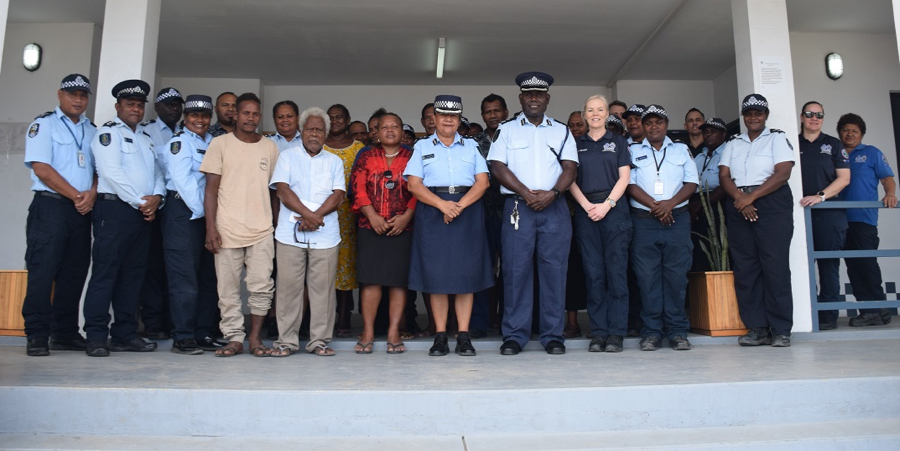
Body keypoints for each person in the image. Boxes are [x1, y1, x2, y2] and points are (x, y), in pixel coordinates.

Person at [487, 72, 578, 356]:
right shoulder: (507, 129)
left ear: (547, 99)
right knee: (515, 272)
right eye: (529, 94)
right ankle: (514, 336)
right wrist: (527, 194)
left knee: (554, 272)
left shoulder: (561, 130)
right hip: (518, 208)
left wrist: (553, 194)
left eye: (539, 94)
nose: (534, 98)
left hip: (555, 208)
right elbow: (497, 166)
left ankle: (553, 335)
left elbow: (571, 167)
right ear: (521, 98)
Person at [405, 95, 492, 357]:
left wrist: (459, 206)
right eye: (443, 115)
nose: (448, 120)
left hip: (466, 211)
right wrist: (443, 206)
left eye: (453, 116)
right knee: (437, 277)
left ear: (458, 119)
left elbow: (482, 182)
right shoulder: (421, 147)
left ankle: (463, 336)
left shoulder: (471, 146)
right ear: (435, 118)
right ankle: (441, 336)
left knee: (467, 276)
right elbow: (414, 184)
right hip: (434, 212)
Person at [83, 79, 164, 357]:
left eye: (140, 105)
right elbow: (111, 173)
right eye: (130, 104)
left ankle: (125, 334)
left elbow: (156, 174)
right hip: (115, 211)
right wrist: (142, 202)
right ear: (118, 106)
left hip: (142, 215)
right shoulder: (108, 135)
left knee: (133, 276)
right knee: (106, 274)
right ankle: (95, 335)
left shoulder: (145, 138)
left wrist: (157, 198)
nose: (136, 109)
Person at [21, 74, 97, 356]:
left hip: (82, 209)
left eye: (83, 95)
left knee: (74, 272)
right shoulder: (44, 125)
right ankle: (37, 334)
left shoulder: (92, 130)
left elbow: (99, 170)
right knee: (43, 270)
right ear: (59, 95)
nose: (78, 99)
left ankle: (65, 332)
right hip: (51, 207)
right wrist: (77, 195)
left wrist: (92, 192)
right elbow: (42, 169)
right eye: (72, 94)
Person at [200, 92, 280, 357]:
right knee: (228, 289)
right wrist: (211, 228)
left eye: (256, 113)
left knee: (261, 287)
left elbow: (274, 191)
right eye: (246, 112)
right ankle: (234, 338)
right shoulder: (220, 144)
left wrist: (276, 226)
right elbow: (210, 190)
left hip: (261, 230)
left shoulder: (269, 147)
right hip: (226, 229)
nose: (251, 118)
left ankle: (255, 338)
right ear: (235, 114)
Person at [719, 94, 795, 347]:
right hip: (740, 202)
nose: (753, 117)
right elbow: (724, 175)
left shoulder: (776, 138)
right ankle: (757, 327)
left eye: (758, 113)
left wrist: (751, 197)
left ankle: (782, 329)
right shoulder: (733, 143)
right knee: (746, 269)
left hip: (771, 203)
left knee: (775, 267)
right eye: (749, 113)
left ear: (766, 115)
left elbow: (783, 173)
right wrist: (742, 199)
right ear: (743, 116)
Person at [269, 107, 345, 357]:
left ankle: (319, 341)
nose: (314, 134)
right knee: (288, 289)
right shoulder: (288, 157)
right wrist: (309, 215)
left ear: (326, 133)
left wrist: (315, 218)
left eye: (319, 130)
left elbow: (338, 195)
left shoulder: (335, 161)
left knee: (322, 290)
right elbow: (282, 189)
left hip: (325, 235)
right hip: (290, 233)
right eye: (310, 129)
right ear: (301, 131)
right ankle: (286, 342)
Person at [627, 104, 699, 351]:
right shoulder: (632, 150)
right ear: (643, 127)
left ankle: (678, 332)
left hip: (677, 220)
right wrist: (657, 207)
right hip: (644, 221)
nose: (654, 126)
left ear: (666, 125)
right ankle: (652, 332)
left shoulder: (681, 150)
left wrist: (669, 204)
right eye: (648, 123)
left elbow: (691, 183)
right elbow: (629, 185)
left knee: (676, 278)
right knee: (647, 279)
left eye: (658, 122)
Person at [161, 95, 226, 354]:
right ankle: (183, 336)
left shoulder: (214, 142)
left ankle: (203, 332)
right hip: (184, 215)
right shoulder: (179, 143)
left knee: (208, 278)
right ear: (185, 118)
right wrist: (207, 216)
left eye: (204, 115)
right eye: (194, 115)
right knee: (184, 280)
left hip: (207, 218)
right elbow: (184, 183)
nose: (199, 120)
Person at [568, 95, 632, 353]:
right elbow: (569, 179)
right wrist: (587, 206)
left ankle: (616, 334)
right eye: (590, 110)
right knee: (594, 275)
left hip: (613, 211)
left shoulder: (618, 142)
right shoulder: (575, 144)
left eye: (600, 110)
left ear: (608, 114)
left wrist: (607, 205)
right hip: (586, 211)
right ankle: (598, 332)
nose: (595, 114)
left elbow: (624, 177)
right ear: (585, 114)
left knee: (616, 275)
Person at [352, 113, 417, 354]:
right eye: (384, 127)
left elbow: (420, 188)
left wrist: (407, 216)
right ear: (376, 132)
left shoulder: (413, 155)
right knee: (371, 281)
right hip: (371, 227)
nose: (390, 130)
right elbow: (357, 188)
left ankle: (393, 332)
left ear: (402, 131)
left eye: (395, 126)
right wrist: (372, 216)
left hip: (403, 227)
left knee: (398, 282)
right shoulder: (365, 155)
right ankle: (368, 331)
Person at [838, 113, 897, 327]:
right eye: (846, 130)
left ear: (861, 134)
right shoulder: (836, 153)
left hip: (864, 220)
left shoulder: (872, 153)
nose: (850, 134)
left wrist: (890, 194)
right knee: (853, 266)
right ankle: (871, 310)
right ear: (840, 133)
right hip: (840, 221)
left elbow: (887, 178)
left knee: (868, 264)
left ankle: (877, 308)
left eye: (854, 130)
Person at [797, 102, 849, 330]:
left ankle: (827, 316)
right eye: (809, 114)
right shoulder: (791, 141)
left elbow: (844, 178)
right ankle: (805, 315)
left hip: (828, 213)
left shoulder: (834, 144)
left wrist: (820, 196)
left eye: (819, 115)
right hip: (798, 213)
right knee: (801, 264)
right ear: (802, 117)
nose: (814, 118)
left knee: (828, 265)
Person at [138, 87, 184, 340]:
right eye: (168, 105)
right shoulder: (147, 132)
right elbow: (150, 170)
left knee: (176, 267)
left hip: (179, 208)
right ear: (157, 107)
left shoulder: (187, 132)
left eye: (177, 104)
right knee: (154, 267)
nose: (173, 109)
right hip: (156, 207)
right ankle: (154, 322)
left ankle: (172, 319)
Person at [324, 103, 366, 338]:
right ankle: (323, 319)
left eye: (339, 117)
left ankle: (344, 318)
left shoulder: (359, 148)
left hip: (352, 215)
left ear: (348, 119)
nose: (335, 121)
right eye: (330, 118)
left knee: (346, 269)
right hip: (323, 215)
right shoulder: (318, 146)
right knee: (324, 269)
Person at [471, 93, 510, 337]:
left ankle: (510, 322)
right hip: (481, 214)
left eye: (497, 110)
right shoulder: (473, 142)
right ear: (483, 115)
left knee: (513, 270)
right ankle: (479, 323)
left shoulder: (516, 138)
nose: (493, 115)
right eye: (488, 111)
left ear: (505, 112)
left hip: (511, 212)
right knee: (481, 268)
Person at [688, 117, 728, 273]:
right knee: (698, 254)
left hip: (716, 205)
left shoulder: (728, 152)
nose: (708, 135)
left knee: (715, 251)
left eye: (713, 131)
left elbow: (725, 185)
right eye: (706, 132)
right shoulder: (699, 156)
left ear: (723, 134)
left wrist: (699, 206)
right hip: (695, 206)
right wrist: (692, 207)